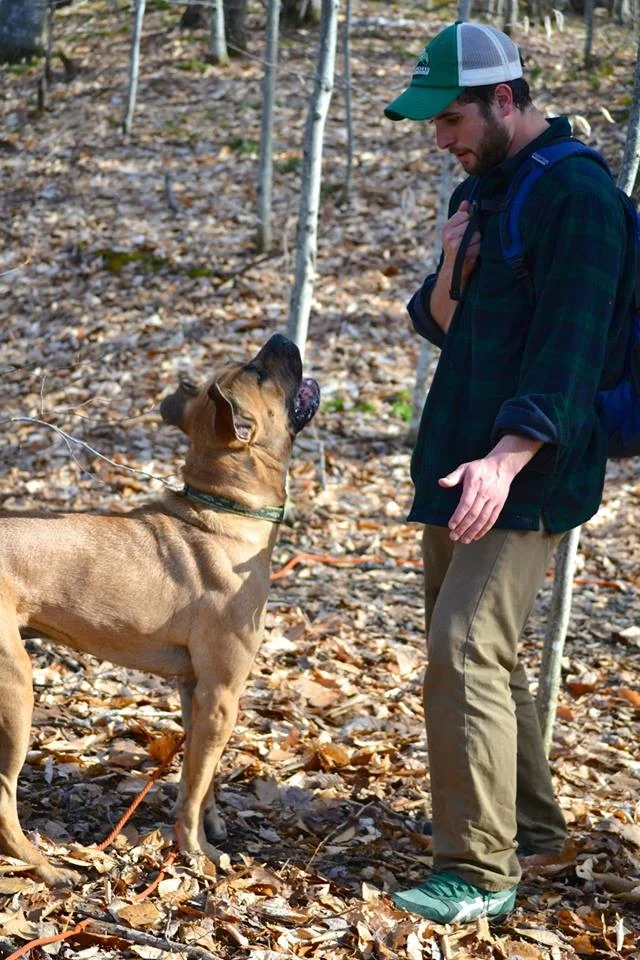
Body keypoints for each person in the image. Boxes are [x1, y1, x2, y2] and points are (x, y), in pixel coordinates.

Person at [383, 20, 636, 924]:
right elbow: (444, 323)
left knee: (463, 649)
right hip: (462, 463)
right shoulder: (492, 191)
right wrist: (454, 258)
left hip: (526, 468)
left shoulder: (580, 199)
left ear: (504, 99)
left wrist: (503, 461)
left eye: (450, 119)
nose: (439, 140)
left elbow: (570, 352)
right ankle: (531, 827)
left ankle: (479, 871)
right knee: (482, 653)